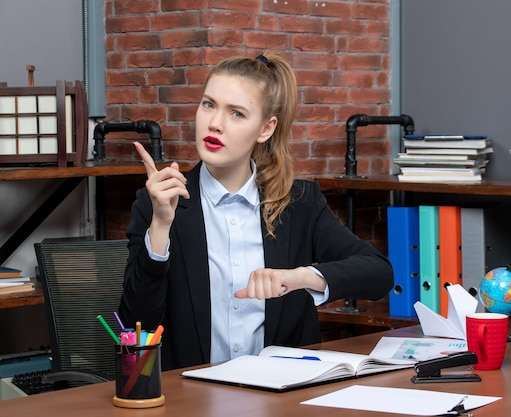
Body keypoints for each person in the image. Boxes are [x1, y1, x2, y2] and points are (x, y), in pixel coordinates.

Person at [118, 52, 393, 371]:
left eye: (236, 113)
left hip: (281, 397)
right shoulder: (159, 202)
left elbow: (379, 272)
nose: (215, 123)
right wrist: (161, 226)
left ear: (265, 128)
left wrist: (300, 277)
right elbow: (133, 327)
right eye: (208, 104)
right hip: (191, 398)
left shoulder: (299, 202)